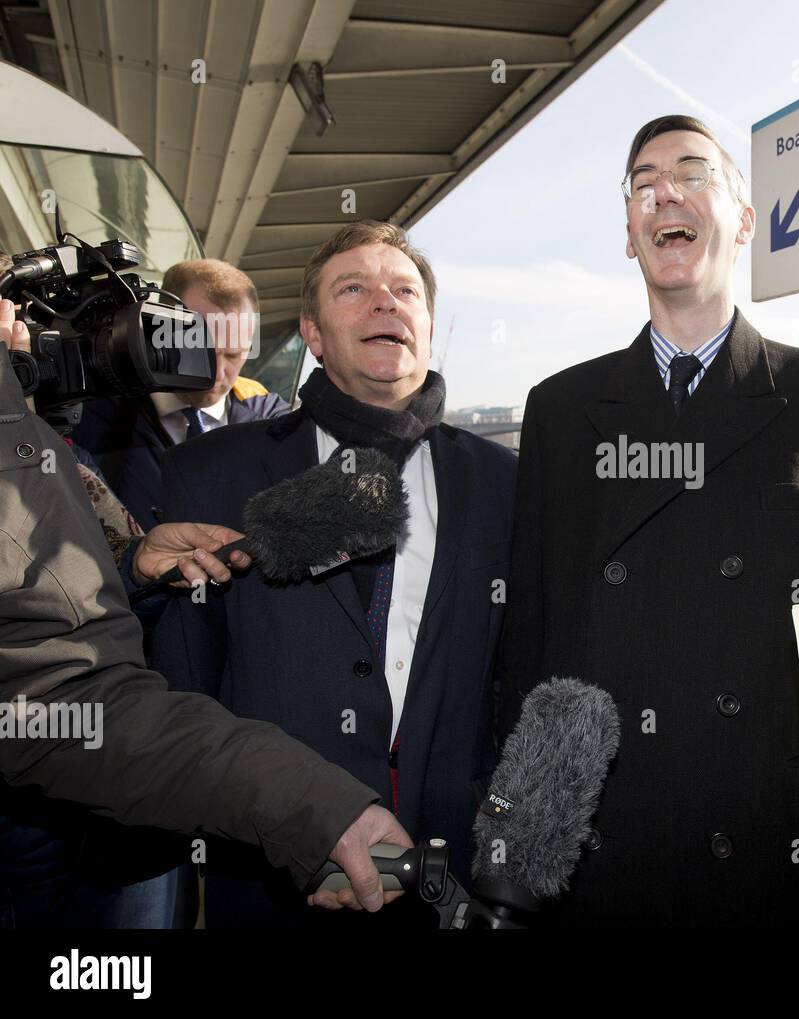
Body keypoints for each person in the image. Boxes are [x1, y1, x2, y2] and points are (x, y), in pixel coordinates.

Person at [497, 115, 799, 928]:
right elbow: (529, 635)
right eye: (643, 184)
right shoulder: (561, 409)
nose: (665, 193)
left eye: (692, 173)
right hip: (599, 835)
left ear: (745, 221)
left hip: (764, 826)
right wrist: (518, 824)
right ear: (629, 233)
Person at [151, 221, 516, 926]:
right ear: (313, 335)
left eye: (404, 289)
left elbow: (515, 684)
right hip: (270, 880)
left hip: (450, 881)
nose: (385, 302)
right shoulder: (211, 473)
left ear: (429, 329)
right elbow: (185, 696)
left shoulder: (505, 484)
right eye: (355, 288)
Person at [0, 333, 411, 926]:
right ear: (313, 329)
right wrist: (318, 811)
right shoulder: (152, 447)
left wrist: (131, 566)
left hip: (125, 801)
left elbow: (52, 625)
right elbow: (61, 694)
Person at [73, 259, 288, 526]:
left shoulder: (272, 419)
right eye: (202, 352)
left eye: (233, 355)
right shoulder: (93, 416)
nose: (217, 374)